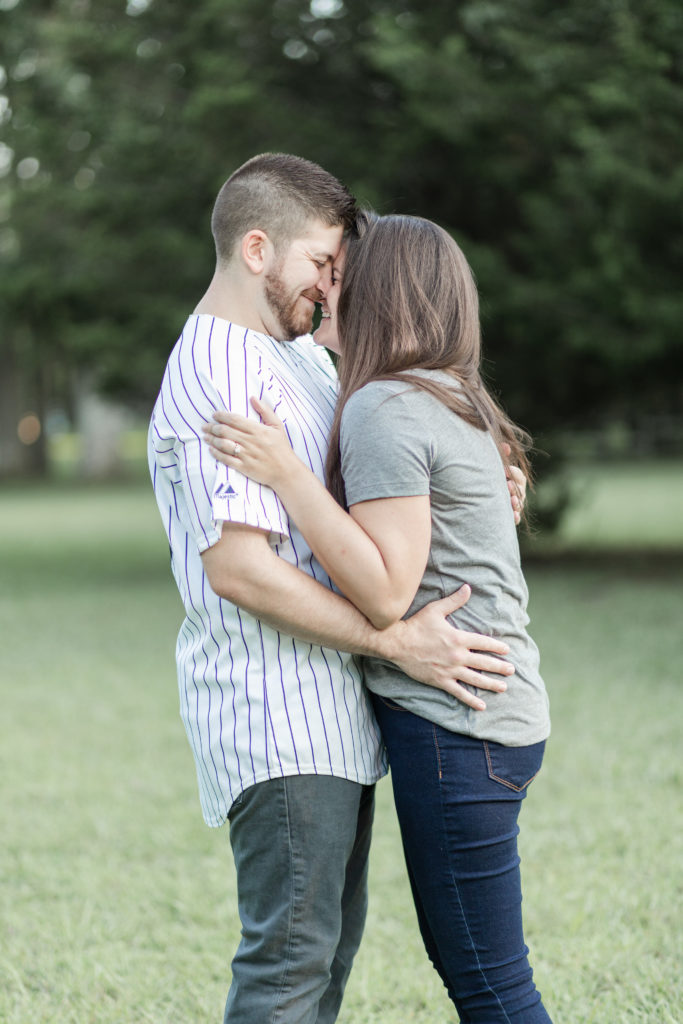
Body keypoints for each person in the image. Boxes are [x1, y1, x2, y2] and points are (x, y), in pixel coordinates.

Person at [147, 156, 520, 1024]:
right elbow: (237, 568)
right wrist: (393, 640)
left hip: (334, 718)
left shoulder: (302, 363)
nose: (331, 284)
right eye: (320, 262)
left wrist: (480, 482)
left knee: (320, 965)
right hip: (277, 718)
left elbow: (382, 485)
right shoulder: (216, 372)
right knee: (287, 973)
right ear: (255, 249)